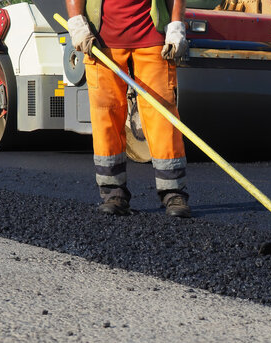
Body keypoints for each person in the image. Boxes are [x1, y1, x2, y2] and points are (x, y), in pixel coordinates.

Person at [66, 0, 191, 218]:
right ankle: (113, 193)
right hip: (102, 43)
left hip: (152, 39)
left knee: (162, 117)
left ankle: (173, 192)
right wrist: (77, 23)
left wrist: (176, 26)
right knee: (106, 116)